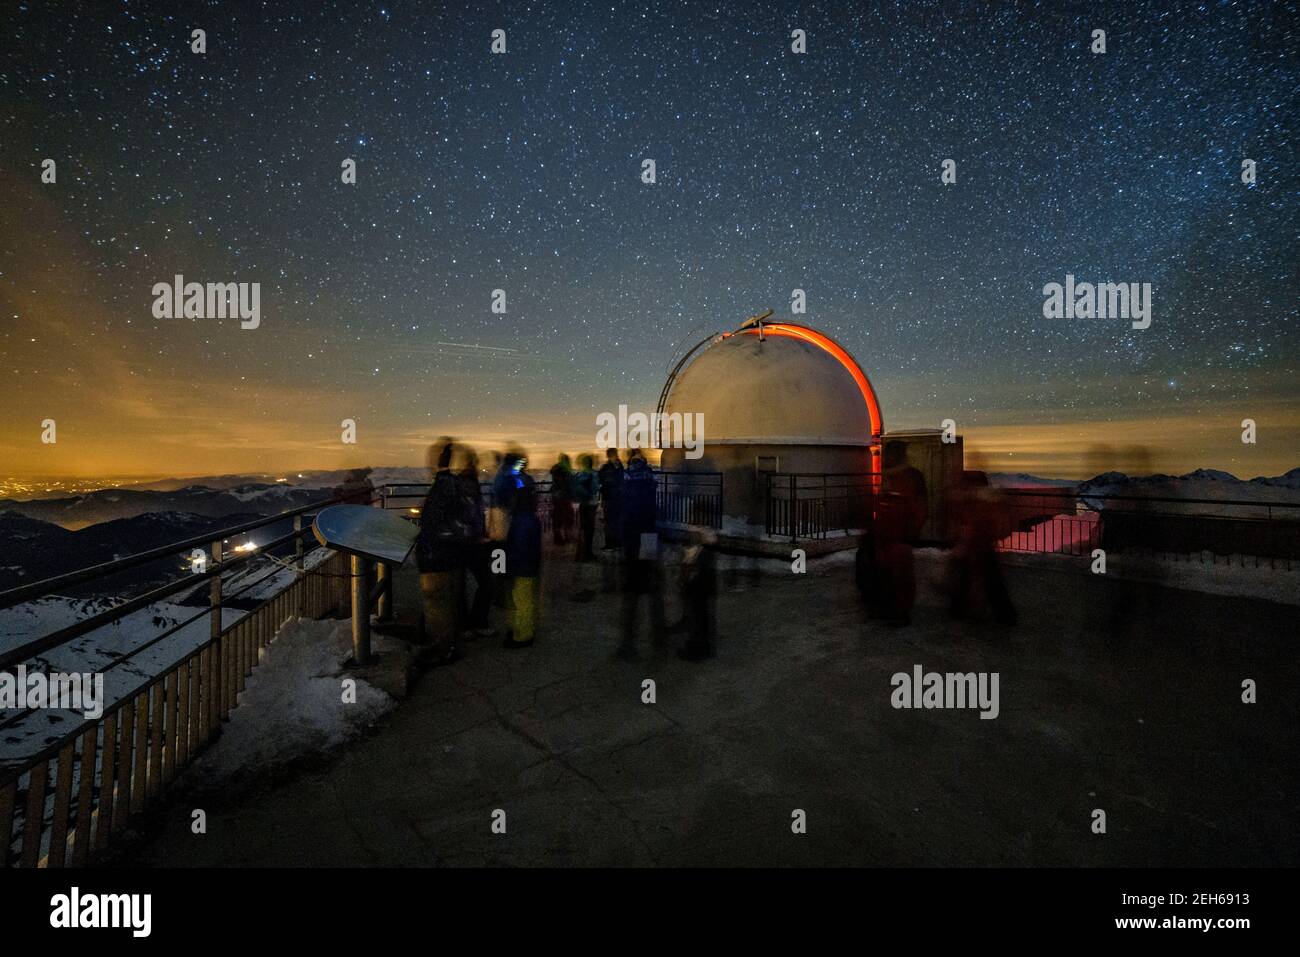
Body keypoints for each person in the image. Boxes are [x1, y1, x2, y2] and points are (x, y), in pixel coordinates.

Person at [416, 440, 469, 665]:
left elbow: (434, 524)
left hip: (438, 558)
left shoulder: (441, 489)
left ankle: (444, 649)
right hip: (453, 555)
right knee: (450, 602)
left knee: (438, 606)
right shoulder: (458, 486)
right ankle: (450, 643)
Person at [947, 470, 1017, 626]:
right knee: (989, 578)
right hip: (980, 543)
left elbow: (968, 519)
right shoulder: (986, 498)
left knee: (977, 576)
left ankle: (959, 609)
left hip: (975, 543)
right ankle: (1003, 614)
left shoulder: (972, 498)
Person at [870, 441, 927, 626]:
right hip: (885, 535)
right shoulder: (888, 477)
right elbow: (882, 504)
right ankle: (887, 608)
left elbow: (919, 507)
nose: (886, 457)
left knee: (901, 575)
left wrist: (910, 533)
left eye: (890, 454)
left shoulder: (911, 478)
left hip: (901, 536)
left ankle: (901, 612)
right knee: (884, 573)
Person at [617, 451, 666, 658]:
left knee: (631, 593)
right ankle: (658, 639)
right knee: (653, 588)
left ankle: (628, 643)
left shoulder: (628, 480)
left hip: (632, 539)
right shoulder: (649, 479)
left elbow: (623, 510)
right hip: (649, 536)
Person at [458, 449, 496, 638]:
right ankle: (475, 622)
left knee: (462, 584)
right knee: (486, 582)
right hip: (470, 542)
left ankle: (466, 625)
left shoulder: (464, 480)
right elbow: (471, 512)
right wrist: (478, 534)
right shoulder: (467, 482)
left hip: (467, 541)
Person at [503, 475, 541, 648]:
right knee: (525, 599)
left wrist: (506, 567)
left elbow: (517, 547)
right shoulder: (531, 519)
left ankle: (523, 636)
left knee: (521, 601)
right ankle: (523, 629)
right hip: (529, 567)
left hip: (522, 568)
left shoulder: (520, 521)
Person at [677, 526, 718, 661]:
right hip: (702, 579)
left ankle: (697, 648)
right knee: (701, 612)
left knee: (698, 613)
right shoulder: (704, 539)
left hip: (699, 580)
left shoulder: (700, 541)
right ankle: (702, 646)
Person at [572, 453, 600, 561]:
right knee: (589, 530)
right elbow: (594, 489)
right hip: (591, 504)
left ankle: (580, 554)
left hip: (583, 504)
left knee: (583, 529)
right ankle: (587, 553)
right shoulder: (593, 474)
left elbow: (575, 489)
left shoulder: (579, 474)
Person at [597, 448, 625, 550]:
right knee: (615, 521)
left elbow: (600, 478)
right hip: (616, 498)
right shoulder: (619, 466)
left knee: (610, 522)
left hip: (610, 498)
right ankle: (616, 542)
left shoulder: (607, 467)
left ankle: (611, 543)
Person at [549, 453, 575, 545]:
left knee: (557, 518)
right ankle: (567, 537)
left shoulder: (555, 469)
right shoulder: (566, 470)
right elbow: (569, 483)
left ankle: (558, 538)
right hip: (565, 497)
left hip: (557, 497)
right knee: (567, 518)